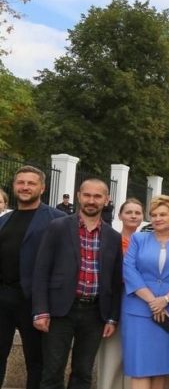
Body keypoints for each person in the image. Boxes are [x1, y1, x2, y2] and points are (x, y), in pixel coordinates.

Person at [32, 178, 123, 389]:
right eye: (87, 195)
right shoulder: (58, 227)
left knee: (83, 373)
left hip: (95, 313)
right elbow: (41, 270)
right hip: (60, 311)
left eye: (98, 196)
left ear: (106, 200)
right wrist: (41, 310)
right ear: (79, 196)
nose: (92, 200)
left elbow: (115, 282)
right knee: (52, 372)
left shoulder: (112, 236)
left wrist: (111, 317)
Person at [0, 166, 66, 389]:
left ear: (42, 187)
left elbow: (64, 263)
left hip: (34, 301)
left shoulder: (58, 219)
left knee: (36, 362)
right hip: (3, 299)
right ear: (15, 186)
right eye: (21, 183)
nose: (25, 187)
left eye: (31, 183)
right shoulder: (4, 219)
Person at [121, 195, 169, 389]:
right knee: (140, 367)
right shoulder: (139, 238)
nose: (157, 218)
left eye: (163, 214)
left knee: (162, 367)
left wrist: (166, 300)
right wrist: (154, 301)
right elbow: (129, 269)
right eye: (154, 215)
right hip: (138, 311)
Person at [96, 198, 146, 389]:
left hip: (140, 303)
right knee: (112, 351)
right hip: (115, 301)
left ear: (142, 217)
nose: (133, 216)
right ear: (120, 216)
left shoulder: (146, 243)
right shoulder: (109, 241)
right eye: (129, 212)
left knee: (134, 353)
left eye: (137, 212)